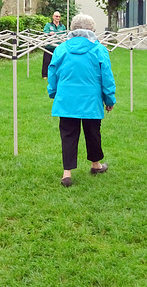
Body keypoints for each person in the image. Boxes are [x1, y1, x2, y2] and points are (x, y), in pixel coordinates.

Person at [47, 14, 116, 187]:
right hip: (91, 100)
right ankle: (96, 165)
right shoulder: (99, 50)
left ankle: (67, 173)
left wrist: (53, 92)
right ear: (91, 30)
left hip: (67, 99)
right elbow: (107, 77)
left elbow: (53, 73)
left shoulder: (61, 49)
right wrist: (109, 99)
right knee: (93, 132)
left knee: (68, 134)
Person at [41, 11, 67, 79]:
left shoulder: (62, 26)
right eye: (56, 16)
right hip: (49, 45)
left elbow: (65, 34)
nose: (57, 18)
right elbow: (44, 33)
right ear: (53, 17)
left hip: (58, 47)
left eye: (59, 16)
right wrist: (49, 33)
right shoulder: (48, 25)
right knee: (46, 61)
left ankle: (59, 74)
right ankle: (45, 75)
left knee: (60, 61)